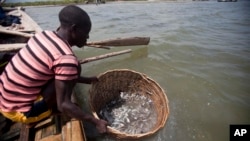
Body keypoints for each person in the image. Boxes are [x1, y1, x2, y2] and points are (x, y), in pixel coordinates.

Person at [0, 5, 108, 134]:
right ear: (73, 29)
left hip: (4, 100)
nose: (88, 38)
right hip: (20, 112)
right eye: (86, 33)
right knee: (73, 70)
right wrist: (96, 122)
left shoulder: (44, 35)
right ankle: (37, 117)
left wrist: (86, 80)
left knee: (66, 71)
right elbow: (64, 106)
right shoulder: (66, 58)